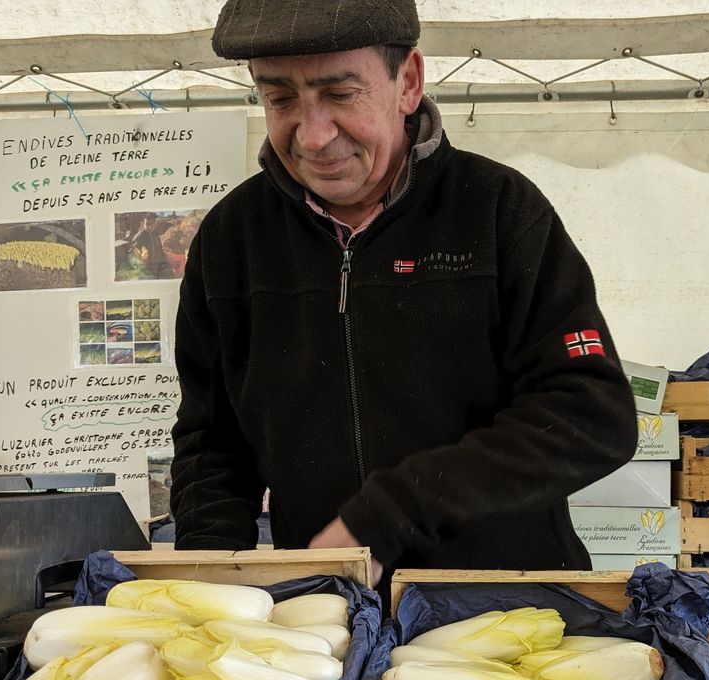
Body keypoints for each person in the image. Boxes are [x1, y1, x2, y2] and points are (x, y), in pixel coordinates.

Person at [169, 0, 637, 586]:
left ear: (408, 82)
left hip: (507, 603)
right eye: (280, 98)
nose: (312, 137)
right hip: (327, 613)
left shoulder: (497, 210)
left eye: (340, 94)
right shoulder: (229, 241)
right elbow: (212, 442)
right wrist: (209, 578)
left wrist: (392, 512)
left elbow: (591, 415)